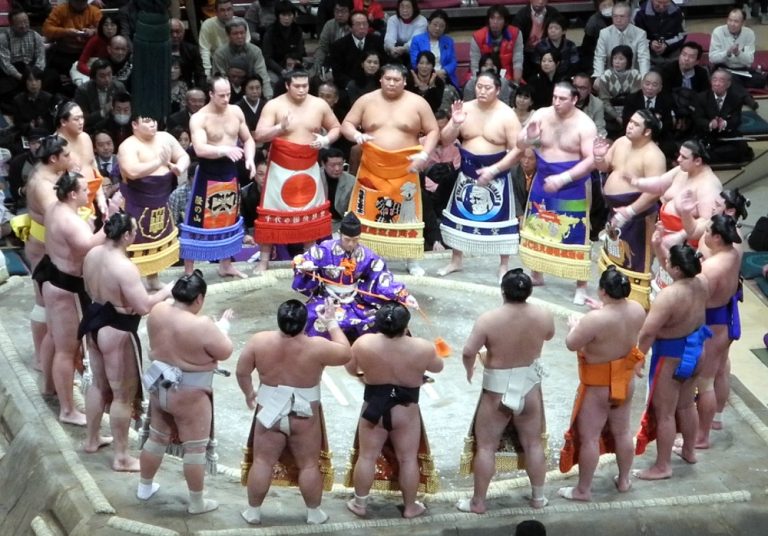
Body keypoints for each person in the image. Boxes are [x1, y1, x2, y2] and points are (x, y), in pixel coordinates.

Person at [237, 299, 351, 525]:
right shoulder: (317, 346)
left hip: (269, 410)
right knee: (308, 464)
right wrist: (331, 323)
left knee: (262, 462)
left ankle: (253, 512)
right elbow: (346, 353)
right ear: (304, 323)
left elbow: (242, 372)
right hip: (304, 414)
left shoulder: (259, 341)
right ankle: (314, 513)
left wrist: (249, 393)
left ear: (279, 321)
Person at [80, 213, 173, 471]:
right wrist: (166, 292)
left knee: (98, 385)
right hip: (117, 329)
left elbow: (88, 289)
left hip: (94, 322)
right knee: (122, 395)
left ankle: (91, 440)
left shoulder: (92, 255)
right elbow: (143, 306)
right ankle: (121, 457)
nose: (135, 236)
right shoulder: (124, 266)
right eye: (133, 232)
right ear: (125, 236)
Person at [457, 269, 553, 512]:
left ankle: (478, 503)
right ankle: (538, 498)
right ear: (529, 292)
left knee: (487, 447)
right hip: (529, 388)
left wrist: (470, 369)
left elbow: (469, 351)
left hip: (496, 393)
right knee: (533, 444)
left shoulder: (489, 320)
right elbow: (549, 335)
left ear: (503, 291)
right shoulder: (543, 315)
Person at [138, 270, 233, 513]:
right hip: (190, 393)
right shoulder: (201, 325)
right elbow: (225, 351)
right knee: (195, 449)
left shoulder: (157, 311)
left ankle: (144, 487)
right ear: (199, 299)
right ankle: (197, 503)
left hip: (160, 386)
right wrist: (223, 326)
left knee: (156, 437)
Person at [345, 301, 444, 519]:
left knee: (367, 456)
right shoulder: (422, 347)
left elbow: (351, 369)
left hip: (374, 407)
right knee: (408, 459)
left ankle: (360, 504)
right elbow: (438, 366)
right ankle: (410, 507)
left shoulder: (363, 343)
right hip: (405, 410)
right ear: (405, 325)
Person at [340, 63, 439, 276]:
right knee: (367, 212)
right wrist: (356, 135)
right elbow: (346, 124)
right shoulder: (366, 101)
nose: (392, 83)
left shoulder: (418, 103)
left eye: (396, 80)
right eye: (388, 79)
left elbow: (433, 131)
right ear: (381, 80)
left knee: (408, 214)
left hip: (406, 166)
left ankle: (411, 260)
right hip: (372, 165)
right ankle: (363, 257)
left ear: (404, 81)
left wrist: (424, 154)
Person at [558, 266, 646, 500]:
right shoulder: (637, 309)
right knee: (623, 431)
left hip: (598, 387)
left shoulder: (594, 320)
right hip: (624, 381)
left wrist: (574, 326)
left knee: (590, 438)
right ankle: (625, 480)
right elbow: (618, 324)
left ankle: (583, 490)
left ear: (603, 291)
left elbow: (571, 343)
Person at [33, 172, 107, 425]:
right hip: (67, 288)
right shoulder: (68, 219)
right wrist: (109, 225)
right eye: (86, 190)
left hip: (54, 278)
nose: (90, 194)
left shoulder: (55, 208)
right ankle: (67, 410)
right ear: (73, 194)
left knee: (54, 337)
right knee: (66, 350)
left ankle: (48, 386)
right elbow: (87, 245)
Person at [517, 82, 598, 305]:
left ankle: (581, 286)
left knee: (577, 232)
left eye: (562, 99)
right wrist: (529, 137)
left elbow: (591, 160)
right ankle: (537, 273)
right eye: (554, 97)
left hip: (573, 184)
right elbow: (518, 142)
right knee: (538, 225)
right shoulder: (541, 115)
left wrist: (564, 178)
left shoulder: (585, 124)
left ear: (574, 99)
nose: (556, 103)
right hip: (543, 178)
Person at [253, 69, 340, 273]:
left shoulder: (319, 105)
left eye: (305, 86)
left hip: (308, 164)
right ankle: (264, 261)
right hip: (280, 166)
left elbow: (337, 127)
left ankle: (309, 257)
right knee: (272, 212)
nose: (302, 90)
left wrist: (326, 139)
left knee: (308, 211)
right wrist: (279, 128)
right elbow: (259, 135)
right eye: (297, 86)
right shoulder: (274, 105)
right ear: (287, 85)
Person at [635, 244, 711, 478]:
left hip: (671, 356)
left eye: (668, 261)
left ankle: (662, 466)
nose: (664, 263)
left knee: (665, 413)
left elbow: (648, 332)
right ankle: (689, 451)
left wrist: (637, 358)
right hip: (697, 349)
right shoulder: (702, 282)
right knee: (687, 404)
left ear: (677, 269)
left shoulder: (669, 296)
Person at [437, 70, 521, 282]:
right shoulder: (465, 109)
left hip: (497, 175)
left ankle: (504, 266)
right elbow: (444, 140)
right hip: (467, 171)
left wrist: (495, 169)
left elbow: (518, 150)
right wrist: (455, 123)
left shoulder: (507, 115)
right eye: (479, 86)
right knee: (459, 216)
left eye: (488, 88)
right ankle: (456, 260)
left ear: (498, 90)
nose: (482, 91)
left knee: (503, 220)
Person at [292, 212, 418, 341]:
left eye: (355, 239)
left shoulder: (366, 255)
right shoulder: (324, 249)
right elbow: (302, 261)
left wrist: (404, 295)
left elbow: (381, 277)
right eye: (347, 239)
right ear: (340, 234)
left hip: (354, 298)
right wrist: (304, 267)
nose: (351, 243)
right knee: (312, 316)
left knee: (376, 318)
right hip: (327, 298)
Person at [180, 76, 256, 279]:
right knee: (196, 220)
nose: (225, 99)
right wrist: (223, 150)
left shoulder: (236, 111)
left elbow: (248, 139)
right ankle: (188, 270)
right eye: (221, 95)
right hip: (207, 173)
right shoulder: (199, 118)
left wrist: (250, 159)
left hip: (230, 173)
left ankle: (226, 264)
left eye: (228, 94)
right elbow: (200, 149)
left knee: (229, 218)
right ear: (211, 94)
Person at [15, 136, 72, 387]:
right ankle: (40, 356)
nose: (70, 159)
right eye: (66, 155)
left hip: (44, 240)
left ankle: (45, 353)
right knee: (43, 302)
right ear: (53, 159)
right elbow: (57, 215)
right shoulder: (42, 184)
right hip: (41, 245)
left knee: (48, 302)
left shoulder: (46, 172)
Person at [593, 109, 665, 309]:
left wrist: (630, 211)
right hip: (614, 213)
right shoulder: (620, 143)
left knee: (634, 262)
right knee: (614, 257)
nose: (629, 126)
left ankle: (634, 308)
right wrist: (599, 157)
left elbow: (654, 192)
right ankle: (611, 301)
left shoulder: (654, 156)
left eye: (635, 124)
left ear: (647, 132)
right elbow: (605, 166)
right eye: (630, 121)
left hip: (639, 218)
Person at [631, 139, 722, 295]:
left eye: (684, 157)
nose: (678, 159)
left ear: (698, 160)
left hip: (686, 247)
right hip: (666, 237)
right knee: (662, 283)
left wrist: (680, 236)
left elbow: (707, 223)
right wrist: (637, 182)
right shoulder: (682, 170)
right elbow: (660, 183)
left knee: (677, 291)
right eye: (679, 155)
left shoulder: (709, 186)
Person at [118, 112, 190, 289]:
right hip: (137, 201)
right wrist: (159, 162)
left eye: (154, 120)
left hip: (160, 199)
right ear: (135, 125)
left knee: (156, 242)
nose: (153, 124)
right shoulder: (128, 146)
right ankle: (130, 283)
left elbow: (184, 156)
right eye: (148, 121)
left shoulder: (165, 138)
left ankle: (153, 279)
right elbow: (132, 171)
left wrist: (178, 167)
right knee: (131, 242)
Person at [694, 215, 743, 449]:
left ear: (716, 237)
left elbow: (692, 297)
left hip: (712, 322)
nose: (703, 235)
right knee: (721, 369)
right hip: (725, 315)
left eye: (707, 232)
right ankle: (715, 419)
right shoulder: (734, 252)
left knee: (705, 382)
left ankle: (702, 437)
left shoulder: (711, 268)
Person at [55, 101, 108, 226]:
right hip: (68, 208)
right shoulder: (55, 147)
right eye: (76, 119)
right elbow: (52, 184)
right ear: (63, 122)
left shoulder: (85, 137)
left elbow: (92, 166)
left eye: (82, 118)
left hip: (90, 201)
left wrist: (100, 197)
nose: (81, 122)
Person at [694, 69, 754, 164]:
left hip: (727, 134)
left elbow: (736, 120)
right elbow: (698, 119)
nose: (717, 84)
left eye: (721, 81)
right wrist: (710, 123)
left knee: (742, 148)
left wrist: (725, 123)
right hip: (708, 134)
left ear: (728, 84)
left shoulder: (736, 98)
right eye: (714, 80)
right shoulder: (701, 97)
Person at [41, 0, 101, 91]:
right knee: (51, 78)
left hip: (87, 55)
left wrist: (93, 32)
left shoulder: (94, 11)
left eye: (83, 2)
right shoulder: (60, 10)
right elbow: (46, 29)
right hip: (63, 53)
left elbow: (103, 30)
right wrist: (66, 32)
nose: (81, 4)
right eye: (78, 2)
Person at [210, 18, 273, 101]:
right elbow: (220, 78)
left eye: (242, 33)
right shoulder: (220, 53)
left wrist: (268, 96)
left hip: (251, 87)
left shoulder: (255, 51)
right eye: (235, 33)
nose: (239, 36)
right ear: (228, 35)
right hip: (229, 89)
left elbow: (262, 75)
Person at [592, 2, 650, 83]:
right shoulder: (604, 33)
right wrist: (598, 76)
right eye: (615, 16)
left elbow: (643, 58)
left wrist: (644, 78)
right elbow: (600, 57)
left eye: (622, 16)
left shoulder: (640, 34)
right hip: (610, 75)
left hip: (633, 76)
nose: (618, 20)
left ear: (629, 17)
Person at [328, 10, 386, 90]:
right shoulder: (338, 45)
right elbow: (337, 73)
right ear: (350, 27)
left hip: (374, 84)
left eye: (365, 23)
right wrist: (350, 85)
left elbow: (384, 64)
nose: (362, 27)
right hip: (350, 86)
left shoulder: (377, 41)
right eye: (358, 24)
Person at [709, 8, 766, 89]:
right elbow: (712, 58)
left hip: (742, 69)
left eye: (736, 21)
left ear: (743, 23)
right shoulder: (718, 32)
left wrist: (738, 53)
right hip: (724, 68)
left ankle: (737, 86)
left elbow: (749, 60)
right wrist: (727, 53)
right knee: (730, 80)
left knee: (760, 80)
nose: (732, 24)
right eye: (730, 20)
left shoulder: (749, 33)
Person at [0, 9, 46, 107]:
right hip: (14, 72)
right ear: (11, 24)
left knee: (52, 77)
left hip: (32, 70)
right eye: (20, 23)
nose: (24, 25)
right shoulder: (4, 38)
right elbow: (6, 64)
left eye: (26, 21)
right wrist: (23, 78)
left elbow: (41, 58)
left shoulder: (35, 35)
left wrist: (33, 76)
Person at [596, 45, 642, 139]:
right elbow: (604, 100)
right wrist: (616, 116)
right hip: (610, 112)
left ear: (628, 60)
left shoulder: (636, 75)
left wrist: (626, 116)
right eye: (614, 58)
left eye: (621, 59)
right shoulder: (606, 76)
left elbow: (635, 99)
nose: (617, 62)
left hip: (629, 110)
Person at [198, 0, 252, 77]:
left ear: (233, 10)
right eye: (222, 10)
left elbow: (246, 47)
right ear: (216, 12)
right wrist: (207, 73)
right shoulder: (207, 25)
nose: (226, 14)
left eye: (229, 9)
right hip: (216, 63)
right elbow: (204, 50)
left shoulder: (241, 23)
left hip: (238, 61)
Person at [470, 6, 523, 84]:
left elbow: (518, 60)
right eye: (492, 18)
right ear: (488, 20)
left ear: (505, 21)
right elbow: (475, 64)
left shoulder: (516, 33)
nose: (495, 22)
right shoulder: (477, 36)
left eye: (499, 19)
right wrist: (479, 82)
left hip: (507, 74)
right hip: (483, 74)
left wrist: (516, 82)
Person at [73, 59, 128, 133]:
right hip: (92, 129)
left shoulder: (119, 87)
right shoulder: (83, 91)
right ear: (94, 78)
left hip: (114, 128)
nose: (107, 79)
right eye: (102, 76)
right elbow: (82, 119)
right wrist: (103, 112)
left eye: (109, 74)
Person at [409, 9, 458, 89]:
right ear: (428, 24)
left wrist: (443, 71)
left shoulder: (448, 41)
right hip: (423, 78)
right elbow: (415, 62)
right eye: (435, 25)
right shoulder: (417, 40)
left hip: (443, 77)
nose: (438, 28)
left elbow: (453, 62)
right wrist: (433, 74)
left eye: (442, 26)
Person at [261, 1, 306, 86]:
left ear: (293, 16)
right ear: (278, 16)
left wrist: (294, 63)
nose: (286, 18)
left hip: (294, 65)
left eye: (289, 15)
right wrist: (281, 70)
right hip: (275, 67)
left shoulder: (298, 30)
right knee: (273, 81)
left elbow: (300, 51)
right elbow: (267, 58)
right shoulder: (270, 32)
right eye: (283, 15)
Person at [633, 0, 686, 66]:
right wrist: (650, 43)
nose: (661, 7)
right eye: (658, 2)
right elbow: (635, 36)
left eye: (665, 3)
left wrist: (667, 44)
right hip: (648, 53)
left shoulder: (677, 11)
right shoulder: (639, 13)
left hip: (672, 51)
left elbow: (682, 35)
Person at [530, 15, 579, 81]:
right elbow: (536, 64)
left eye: (556, 28)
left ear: (564, 31)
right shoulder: (541, 45)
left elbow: (574, 64)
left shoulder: (570, 45)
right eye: (550, 28)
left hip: (565, 78)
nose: (553, 31)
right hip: (545, 78)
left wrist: (566, 78)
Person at [384, 0, 427, 65]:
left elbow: (415, 40)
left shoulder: (422, 21)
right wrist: (391, 48)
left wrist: (404, 48)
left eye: (408, 7)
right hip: (396, 50)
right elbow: (389, 37)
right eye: (402, 7)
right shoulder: (393, 19)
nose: (405, 10)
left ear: (414, 8)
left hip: (413, 50)